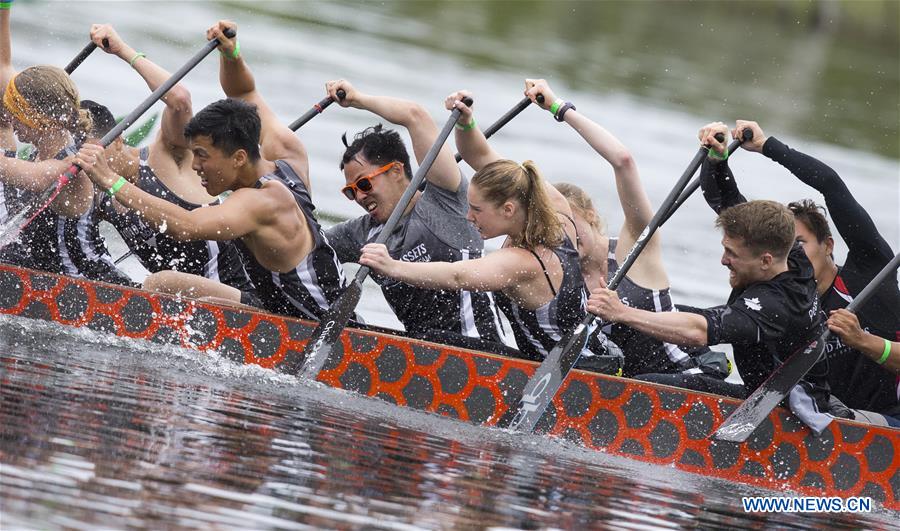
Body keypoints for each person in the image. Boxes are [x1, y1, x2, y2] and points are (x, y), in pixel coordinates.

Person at [74, 20, 346, 321]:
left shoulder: (263, 201)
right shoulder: (287, 152)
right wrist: (231, 54)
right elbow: (245, 90)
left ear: (239, 158)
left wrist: (109, 180)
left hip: (314, 326)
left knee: (160, 284)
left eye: (202, 156)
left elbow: (185, 226)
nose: (194, 165)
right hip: (288, 309)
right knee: (163, 283)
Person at [358, 90, 621, 372]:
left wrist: (392, 266)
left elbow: (458, 275)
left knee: (432, 340)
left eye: (477, 210)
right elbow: (480, 154)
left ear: (508, 209)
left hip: (581, 376)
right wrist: (466, 123)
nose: (468, 217)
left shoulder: (523, 262)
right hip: (604, 357)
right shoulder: (557, 211)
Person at [700, 119, 899, 426]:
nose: (789, 254)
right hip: (804, 412)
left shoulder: (871, 276)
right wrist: (716, 160)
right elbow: (728, 205)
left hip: (881, 423)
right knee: (692, 386)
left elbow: (831, 185)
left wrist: (768, 147)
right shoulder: (783, 289)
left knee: (831, 414)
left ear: (828, 245)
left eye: (799, 244)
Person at [527, 78, 728, 379]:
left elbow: (623, 161)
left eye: (569, 223)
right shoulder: (558, 271)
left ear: (591, 215)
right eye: (553, 228)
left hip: (687, 378)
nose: (563, 235)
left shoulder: (636, 246)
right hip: (625, 389)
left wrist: (558, 107)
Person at [587, 197, 841, 431]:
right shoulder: (789, 253)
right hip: (760, 393)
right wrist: (717, 161)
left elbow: (699, 331)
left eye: (732, 254)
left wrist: (621, 312)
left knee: (647, 385)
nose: (723, 260)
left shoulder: (775, 306)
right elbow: (727, 199)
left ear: (765, 261)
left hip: (789, 410)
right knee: (652, 345)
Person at [323, 80, 504, 347]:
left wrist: (358, 99)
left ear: (396, 171)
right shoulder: (361, 234)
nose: (360, 197)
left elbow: (414, 116)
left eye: (364, 184)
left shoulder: (445, 200)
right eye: (351, 191)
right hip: (419, 354)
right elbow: (305, 248)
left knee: (430, 337)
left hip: (483, 353)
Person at [80, 24, 251, 292]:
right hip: (178, 303)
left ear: (116, 141)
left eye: (92, 154)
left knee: (156, 282)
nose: (88, 166)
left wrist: (124, 51)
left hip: (239, 293)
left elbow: (179, 99)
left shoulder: (169, 155)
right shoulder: (96, 191)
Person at [0, 4, 95, 272]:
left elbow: (38, 177)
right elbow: (2, 68)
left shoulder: (72, 165)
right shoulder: (35, 153)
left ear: (41, 117)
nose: (10, 118)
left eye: (16, 112)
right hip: (34, 274)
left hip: (82, 284)